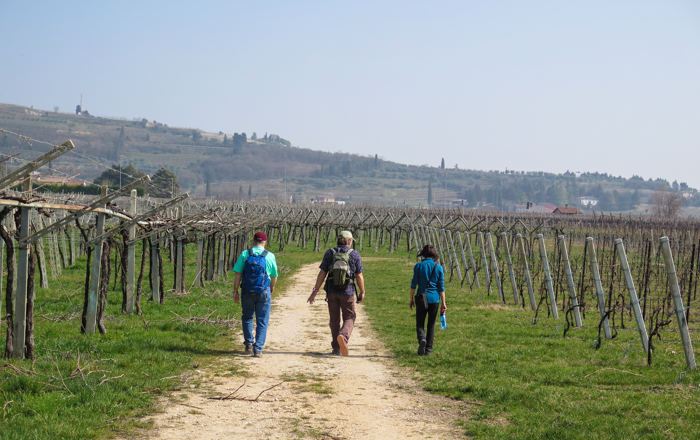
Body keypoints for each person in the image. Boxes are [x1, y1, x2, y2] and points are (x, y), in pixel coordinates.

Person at [307, 230, 365, 356]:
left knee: (334, 319)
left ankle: (336, 348)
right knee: (350, 317)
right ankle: (343, 336)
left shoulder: (330, 252)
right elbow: (359, 275)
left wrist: (315, 291)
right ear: (349, 241)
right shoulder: (354, 254)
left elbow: (323, 273)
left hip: (331, 291)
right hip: (347, 291)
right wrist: (362, 292)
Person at [232, 231, 278, 358]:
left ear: (253, 241)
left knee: (247, 317)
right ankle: (258, 349)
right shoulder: (269, 256)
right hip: (264, 291)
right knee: (262, 320)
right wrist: (272, 287)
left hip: (247, 291)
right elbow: (274, 276)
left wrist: (235, 290)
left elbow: (238, 273)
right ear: (265, 241)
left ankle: (248, 344)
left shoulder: (245, 254)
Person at [409, 244, 447, 356]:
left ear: (423, 254)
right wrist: (443, 302)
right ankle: (428, 351)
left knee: (420, 323)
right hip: (435, 299)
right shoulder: (438, 268)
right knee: (431, 325)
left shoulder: (418, 266)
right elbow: (441, 287)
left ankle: (422, 340)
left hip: (421, 298)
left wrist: (411, 298)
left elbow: (413, 284)